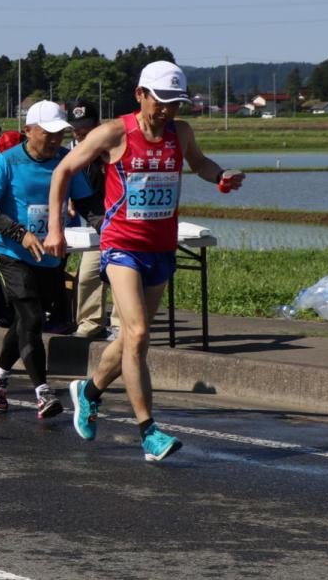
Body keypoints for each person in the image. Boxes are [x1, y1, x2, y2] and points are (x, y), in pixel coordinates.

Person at [45, 61, 244, 462]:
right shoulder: (115, 133)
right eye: (161, 101)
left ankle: (89, 391)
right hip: (122, 247)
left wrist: (220, 176)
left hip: (160, 248)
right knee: (136, 336)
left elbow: (200, 163)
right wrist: (55, 229)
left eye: (175, 103)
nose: (167, 110)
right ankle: (148, 431)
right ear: (141, 95)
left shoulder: (180, 132)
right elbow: (63, 169)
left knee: (129, 340)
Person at [0, 101, 89, 418]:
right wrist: (20, 233)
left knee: (25, 320)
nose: (54, 140)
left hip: (50, 256)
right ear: (27, 130)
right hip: (12, 253)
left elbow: (86, 200)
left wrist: (108, 227)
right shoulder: (5, 162)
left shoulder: (66, 161)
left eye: (59, 134)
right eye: (47, 133)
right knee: (33, 318)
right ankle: (43, 392)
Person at [62, 100, 117, 340]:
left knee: (119, 276)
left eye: (86, 130)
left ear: (99, 126)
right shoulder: (71, 150)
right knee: (86, 277)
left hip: (119, 222)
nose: (80, 135)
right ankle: (90, 323)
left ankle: (118, 326)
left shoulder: (113, 149)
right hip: (94, 224)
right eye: (76, 130)